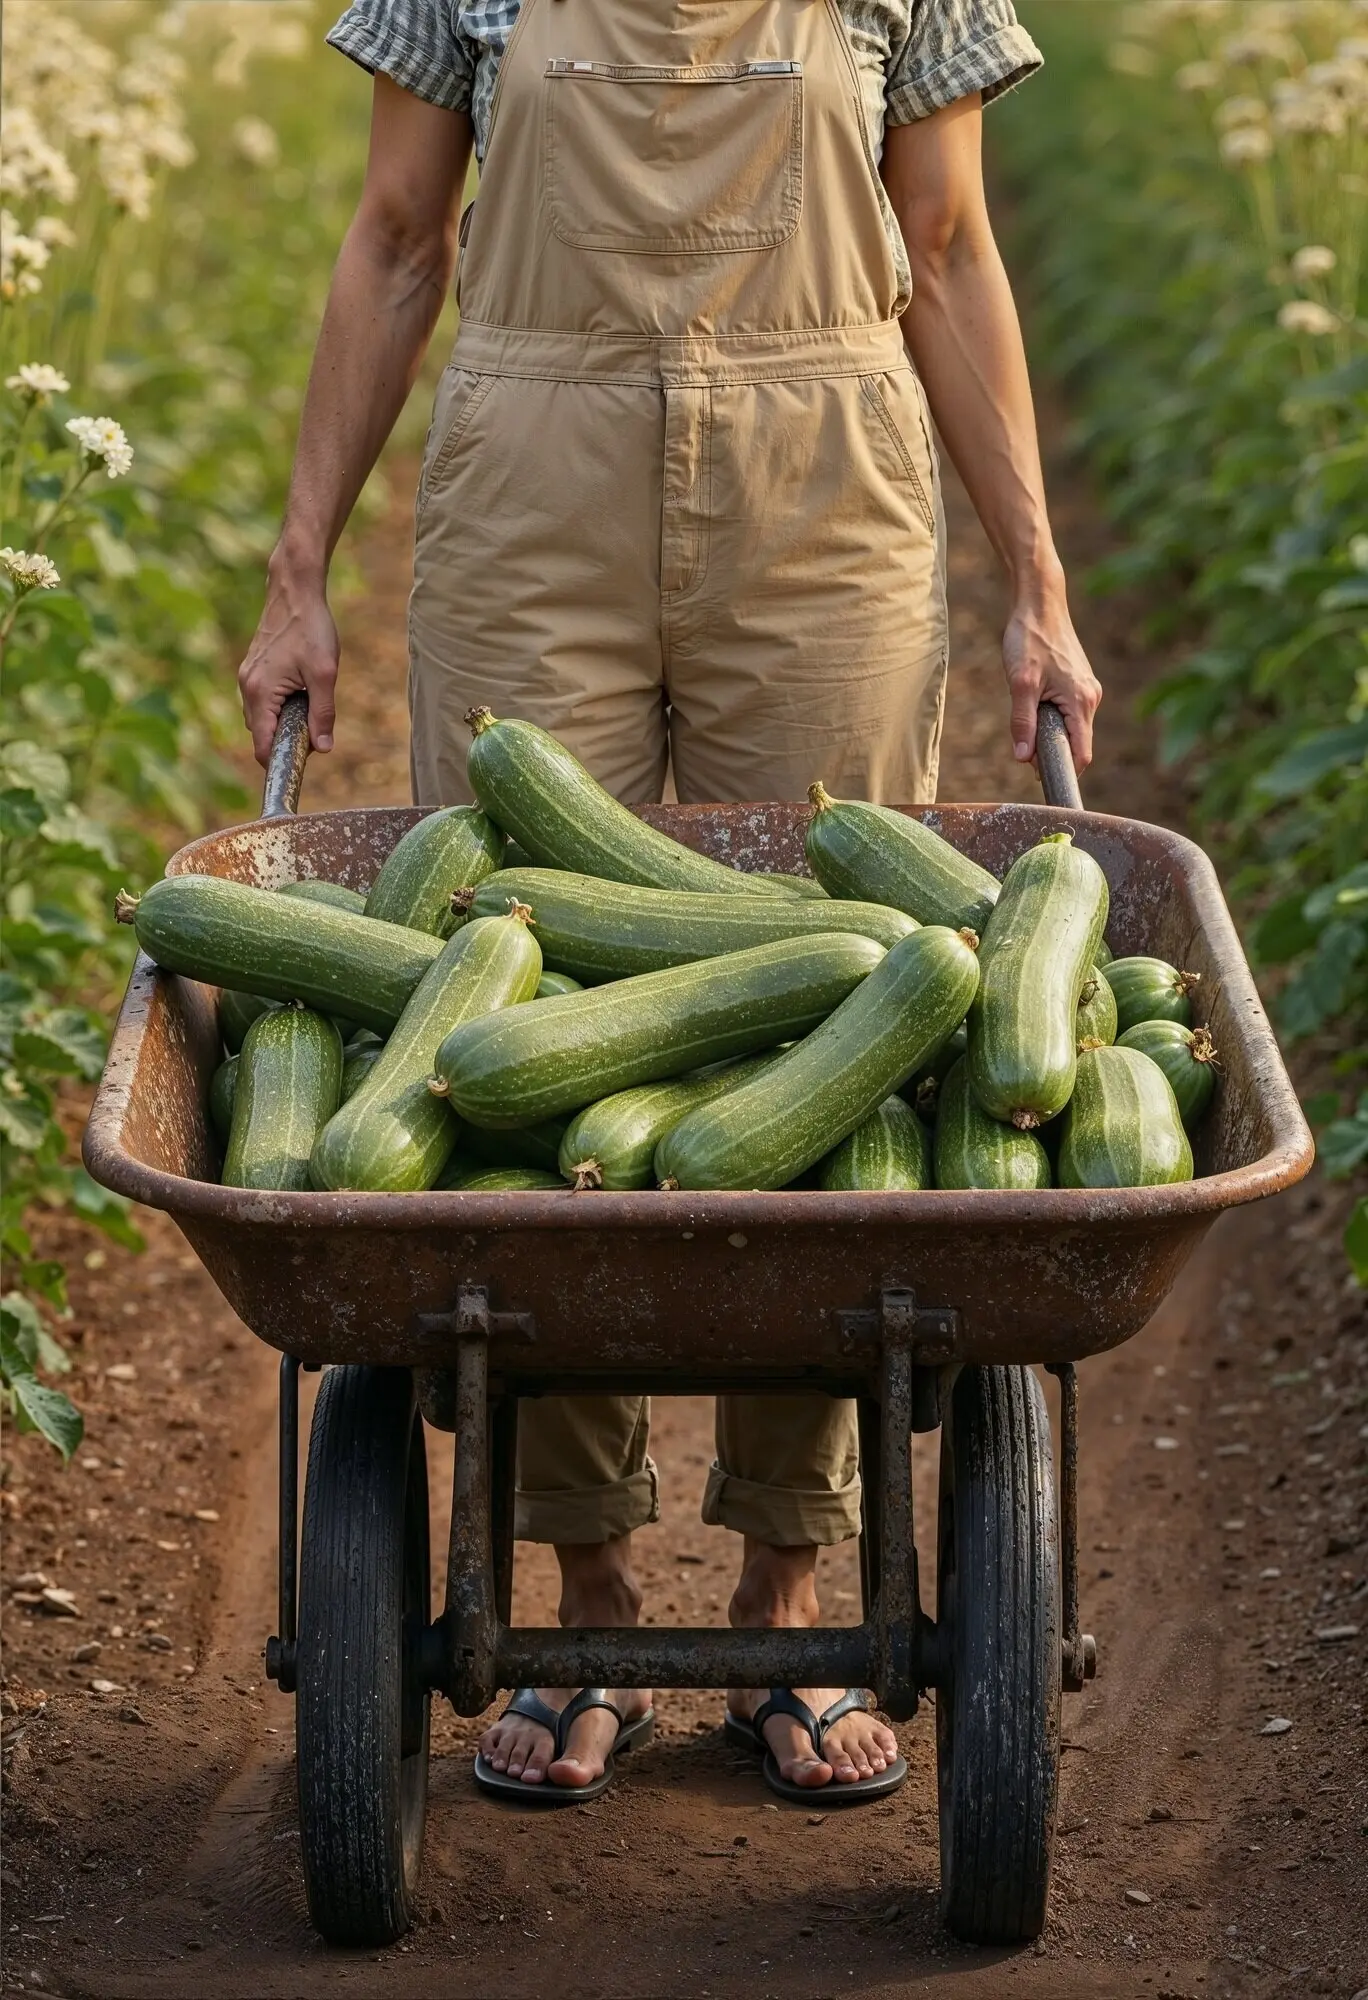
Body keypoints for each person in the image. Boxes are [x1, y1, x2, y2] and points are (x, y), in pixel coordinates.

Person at [238, 0, 1102, 1806]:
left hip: (824, 489)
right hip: (531, 483)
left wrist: (1038, 579)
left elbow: (941, 245)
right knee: (524, 1006)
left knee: (841, 999)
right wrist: (297, 569)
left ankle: (795, 1585)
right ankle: (588, 1584)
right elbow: (399, 235)